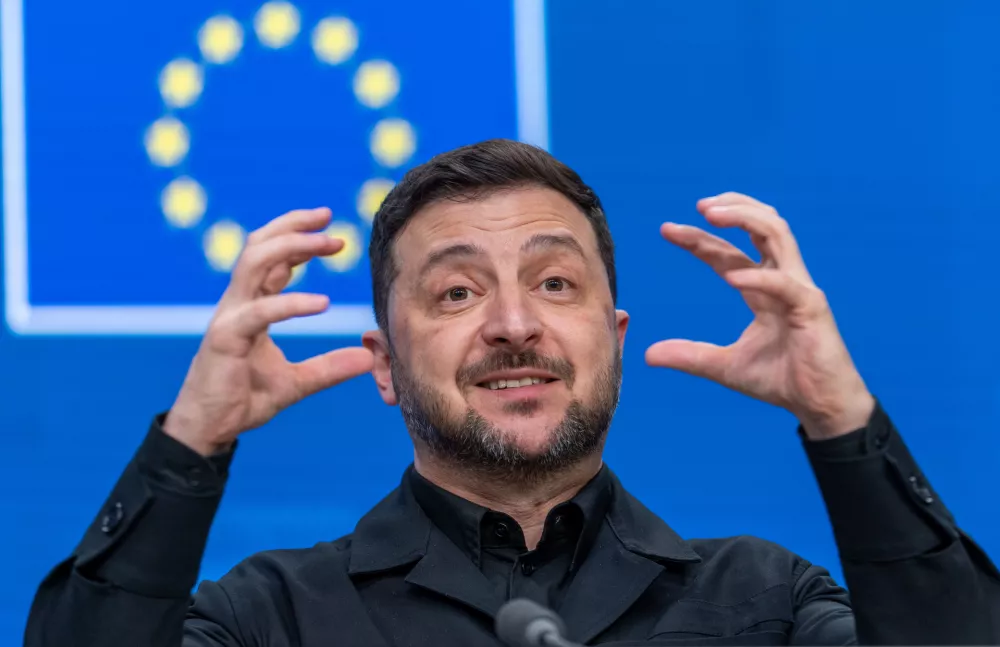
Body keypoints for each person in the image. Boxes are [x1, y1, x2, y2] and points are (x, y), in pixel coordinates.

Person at [25, 140, 999, 646]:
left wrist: (842, 421)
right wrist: (190, 442)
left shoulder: (763, 601)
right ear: (382, 361)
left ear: (611, 339)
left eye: (555, 282)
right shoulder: (271, 614)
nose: (513, 323)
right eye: (454, 291)